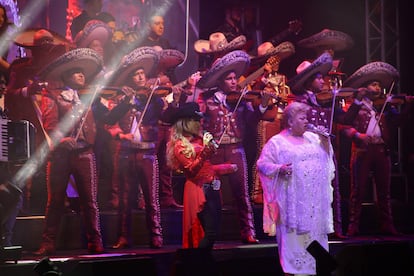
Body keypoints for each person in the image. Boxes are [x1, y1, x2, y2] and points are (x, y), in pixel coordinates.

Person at [34, 47, 131, 255]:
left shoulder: (89, 98)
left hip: (85, 153)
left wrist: (125, 104)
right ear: (66, 76)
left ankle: (95, 241)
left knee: (90, 201)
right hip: (61, 155)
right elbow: (50, 126)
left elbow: (108, 118)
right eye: (77, 72)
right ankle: (48, 242)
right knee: (55, 201)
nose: (82, 75)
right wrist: (63, 139)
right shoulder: (53, 96)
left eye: (82, 72)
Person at [196, 50, 272, 244]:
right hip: (213, 153)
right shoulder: (207, 100)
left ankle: (248, 232)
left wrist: (262, 105)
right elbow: (199, 127)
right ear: (220, 81)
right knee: (211, 194)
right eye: (229, 79)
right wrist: (208, 144)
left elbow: (253, 120)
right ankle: (210, 233)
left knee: (242, 194)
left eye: (234, 78)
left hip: (236, 151)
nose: (233, 82)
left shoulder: (241, 101)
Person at [286, 52, 362, 239]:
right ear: (309, 81)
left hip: (326, 149)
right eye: (319, 78)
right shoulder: (299, 102)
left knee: (330, 188)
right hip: (307, 151)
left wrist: (357, 102)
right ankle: (310, 228)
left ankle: (335, 228)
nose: (323, 81)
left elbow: (345, 119)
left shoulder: (325, 100)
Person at [256, 101, 335, 276]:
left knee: (318, 249)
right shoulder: (277, 142)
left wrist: (326, 142)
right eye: (302, 118)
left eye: (307, 117)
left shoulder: (314, 138)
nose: (306, 121)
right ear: (290, 121)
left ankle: (318, 269)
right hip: (292, 205)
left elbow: (328, 163)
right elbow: (262, 165)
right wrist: (280, 169)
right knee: (295, 246)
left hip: (314, 204)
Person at [342, 61, 412, 236]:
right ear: (365, 87)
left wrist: (409, 106)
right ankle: (353, 225)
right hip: (362, 150)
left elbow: (397, 123)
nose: (378, 88)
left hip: (381, 150)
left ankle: (387, 224)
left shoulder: (386, 106)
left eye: (380, 85)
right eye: (374, 84)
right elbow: (343, 125)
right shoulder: (355, 104)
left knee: (384, 190)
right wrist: (358, 135)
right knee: (358, 189)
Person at [109, 46, 164, 249]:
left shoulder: (153, 99)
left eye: (142, 74)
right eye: (136, 75)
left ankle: (156, 235)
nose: (141, 78)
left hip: (147, 152)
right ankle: (124, 237)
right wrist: (126, 104)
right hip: (126, 151)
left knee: (151, 197)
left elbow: (161, 114)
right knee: (125, 198)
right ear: (130, 79)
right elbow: (109, 121)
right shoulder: (122, 100)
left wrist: (172, 98)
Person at [164, 102, 237, 249]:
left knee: (214, 231)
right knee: (209, 232)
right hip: (198, 189)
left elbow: (207, 168)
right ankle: (199, 262)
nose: (200, 123)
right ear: (186, 122)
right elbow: (191, 170)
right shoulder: (180, 145)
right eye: (196, 120)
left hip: (212, 187)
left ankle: (203, 262)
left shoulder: (198, 140)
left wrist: (226, 167)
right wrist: (205, 152)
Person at [241, 41, 295, 204]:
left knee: (280, 156)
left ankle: (277, 189)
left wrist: (287, 100)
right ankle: (257, 191)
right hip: (265, 121)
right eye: (272, 58)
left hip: (281, 120)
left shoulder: (283, 78)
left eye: (277, 58)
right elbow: (253, 99)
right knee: (263, 155)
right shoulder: (257, 79)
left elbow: (288, 95)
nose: (275, 61)